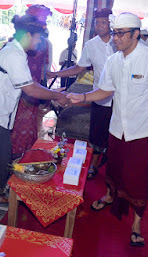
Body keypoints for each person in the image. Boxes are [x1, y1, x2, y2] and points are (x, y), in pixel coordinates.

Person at [68, 12, 148, 247]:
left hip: (143, 131)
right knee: (113, 168)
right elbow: (105, 90)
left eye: (120, 33)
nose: (115, 38)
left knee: (137, 177)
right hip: (117, 128)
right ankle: (109, 195)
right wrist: (82, 96)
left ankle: (136, 224)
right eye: (115, 33)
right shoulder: (113, 61)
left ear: (136, 34)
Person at [0, 14, 70, 217]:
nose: (40, 42)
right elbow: (31, 90)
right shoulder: (13, 55)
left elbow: (30, 85)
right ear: (29, 35)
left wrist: (54, 94)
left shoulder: (16, 52)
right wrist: (58, 95)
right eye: (39, 37)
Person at [48, 8, 116, 179]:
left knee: (117, 134)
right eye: (97, 22)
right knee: (97, 132)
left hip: (122, 98)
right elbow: (79, 68)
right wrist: (56, 74)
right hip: (101, 97)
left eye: (103, 22)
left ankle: (114, 164)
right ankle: (94, 165)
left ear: (111, 23)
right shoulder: (91, 45)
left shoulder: (120, 42)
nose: (99, 26)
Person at [10, 4, 52, 161]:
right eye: (43, 20)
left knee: (28, 125)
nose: (45, 23)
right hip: (19, 90)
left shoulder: (44, 43)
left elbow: (42, 70)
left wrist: (43, 92)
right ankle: (15, 160)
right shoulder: (15, 45)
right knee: (14, 124)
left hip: (32, 90)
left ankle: (25, 158)